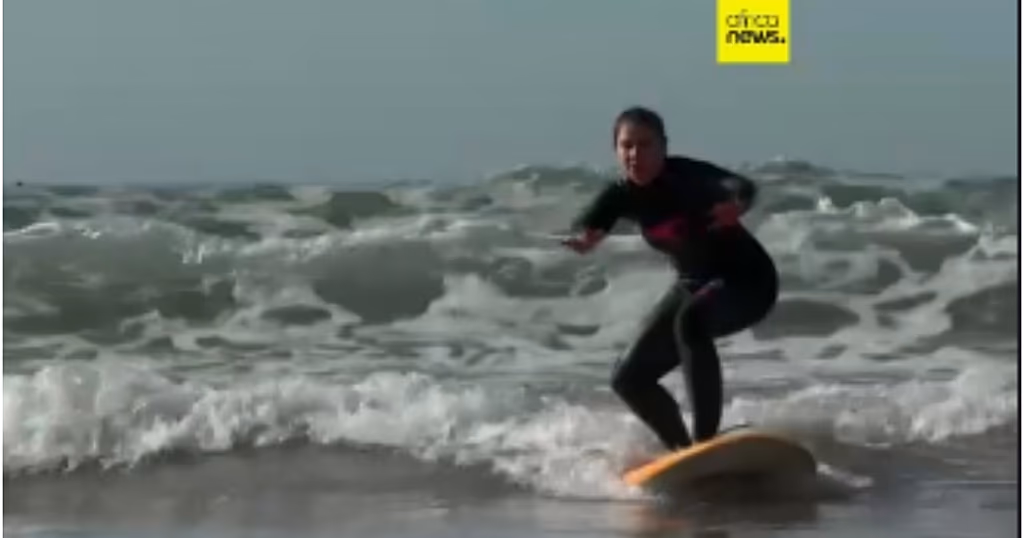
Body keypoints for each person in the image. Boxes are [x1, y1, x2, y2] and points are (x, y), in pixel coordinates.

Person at [562, 106, 779, 451]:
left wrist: (737, 205)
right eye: (627, 146)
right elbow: (589, 223)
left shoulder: (689, 177)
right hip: (694, 284)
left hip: (748, 282)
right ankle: (683, 455)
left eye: (646, 145)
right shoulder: (621, 194)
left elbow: (742, 186)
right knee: (628, 378)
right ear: (616, 150)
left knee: (691, 321)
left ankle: (706, 443)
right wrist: (584, 239)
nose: (636, 155)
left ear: (664, 147)